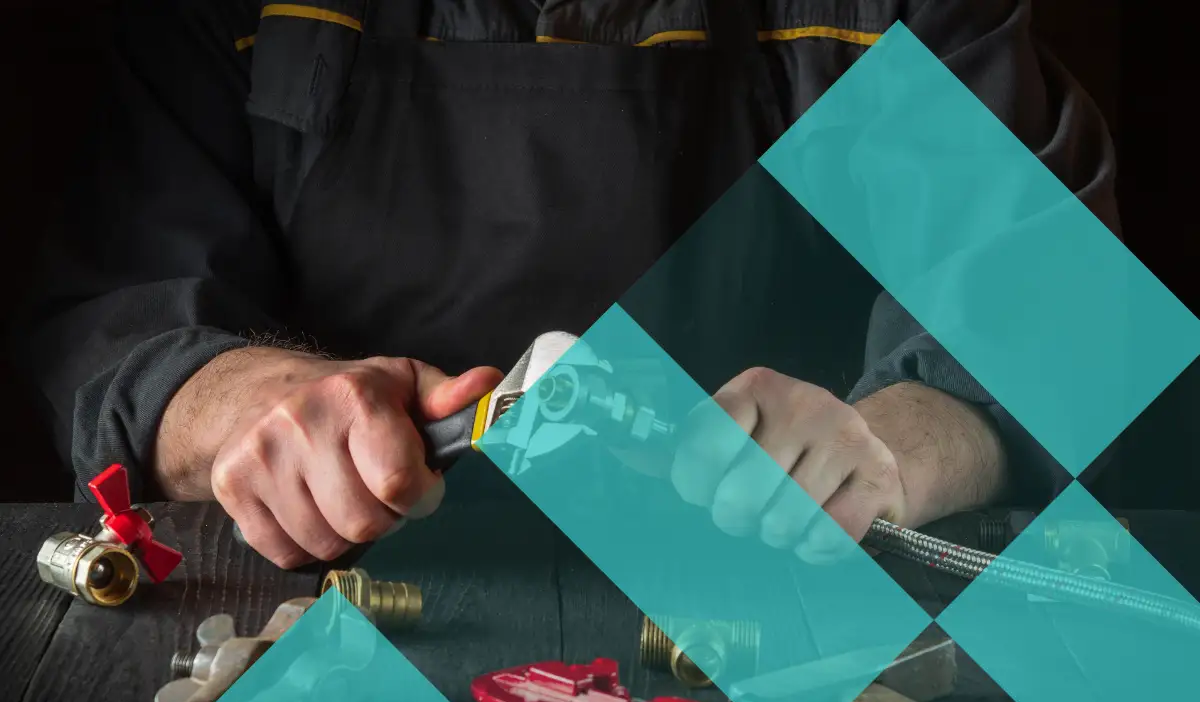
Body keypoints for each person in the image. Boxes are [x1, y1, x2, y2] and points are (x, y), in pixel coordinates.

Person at [13, 0, 1119, 569]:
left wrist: (884, 451)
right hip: (320, 610)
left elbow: (1053, 302)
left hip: (779, 611)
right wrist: (256, 406)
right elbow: (124, 312)